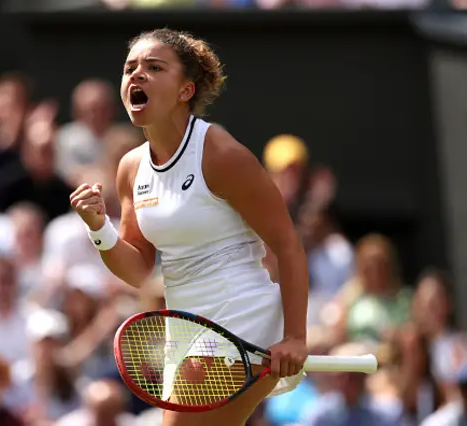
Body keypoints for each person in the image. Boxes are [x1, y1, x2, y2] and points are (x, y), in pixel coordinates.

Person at [70, 28, 309, 426]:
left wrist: (296, 338)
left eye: (154, 67)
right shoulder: (131, 168)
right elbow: (137, 268)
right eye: (130, 68)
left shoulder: (220, 153)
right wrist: (98, 227)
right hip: (185, 326)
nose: (137, 75)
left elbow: (287, 244)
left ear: (185, 90)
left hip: (243, 317)